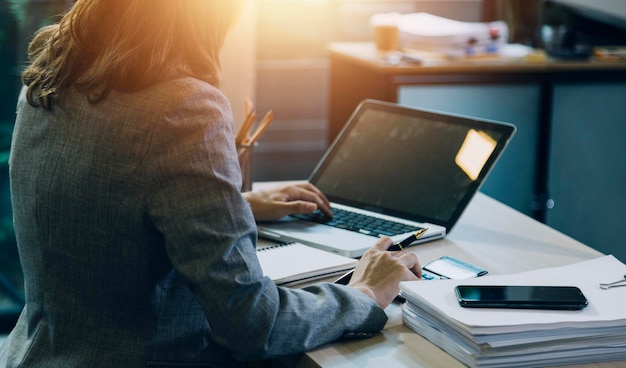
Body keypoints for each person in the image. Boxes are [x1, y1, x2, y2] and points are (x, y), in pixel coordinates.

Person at [0, 1, 422, 367]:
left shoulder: (53, 74)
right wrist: (366, 292)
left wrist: (237, 204)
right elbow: (253, 324)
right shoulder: (182, 106)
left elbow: (100, 202)